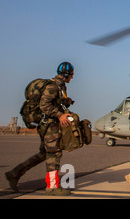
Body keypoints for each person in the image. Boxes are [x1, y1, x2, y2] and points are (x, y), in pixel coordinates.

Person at [5, 62, 75, 196]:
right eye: (71, 75)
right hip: (49, 125)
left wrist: (66, 102)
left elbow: (52, 102)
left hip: (48, 124)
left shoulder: (59, 87)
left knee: (44, 154)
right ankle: (53, 187)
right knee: (54, 154)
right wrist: (60, 115)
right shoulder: (53, 87)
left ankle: (15, 173)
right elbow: (44, 105)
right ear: (67, 75)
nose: (72, 77)